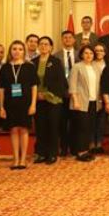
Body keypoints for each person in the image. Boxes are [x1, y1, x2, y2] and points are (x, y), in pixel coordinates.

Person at [0, 40, 37, 170]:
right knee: (14, 130)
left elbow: (34, 87)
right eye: (14, 49)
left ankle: (23, 159)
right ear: (10, 51)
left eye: (20, 49)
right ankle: (15, 159)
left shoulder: (29, 67)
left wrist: (33, 104)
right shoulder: (5, 68)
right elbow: (1, 89)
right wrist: (1, 106)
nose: (17, 51)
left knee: (24, 129)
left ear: (24, 52)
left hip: (25, 103)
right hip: (10, 103)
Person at [32, 36, 66, 166]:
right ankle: (41, 153)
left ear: (51, 47)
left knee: (53, 126)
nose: (43, 46)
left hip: (53, 99)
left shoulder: (56, 62)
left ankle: (52, 153)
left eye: (46, 44)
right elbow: (30, 81)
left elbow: (60, 81)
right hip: (37, 99)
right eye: (41, 44)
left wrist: (46, 94)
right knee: (40, 127)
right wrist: (37, 94)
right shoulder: (33, 62)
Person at [68, 46, 99, 162]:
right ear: (81, 55)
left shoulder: (95, 67)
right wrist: (75, 100)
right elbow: (72, 85)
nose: (89, 55)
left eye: (91, 53)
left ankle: (86, 150)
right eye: (86, 53)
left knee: (89, 127)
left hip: (93, 101)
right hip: (81, 102)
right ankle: (80, 152)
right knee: (81, 127)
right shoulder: (77, 66)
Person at [58, 30, 78, 157]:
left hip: (77, 94)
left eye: (70, 37)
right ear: (62, 40)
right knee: (62, 122)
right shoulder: (56, 56)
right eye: (65, 37)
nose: (68, 39)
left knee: (75, 122)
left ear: (74, 40)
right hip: (62, 94)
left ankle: (75, 147)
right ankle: (64, 147)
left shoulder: (80, 54)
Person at [91, 42, 108, 154]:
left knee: (102, 121)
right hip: (93, 96)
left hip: (106, 96)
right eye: (96, 50)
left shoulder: (108, 64)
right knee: (92, 120)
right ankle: (92, 143)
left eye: (101, 50)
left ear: (105, 52)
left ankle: (99, 143)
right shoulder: (90, 64)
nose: (99, 52)